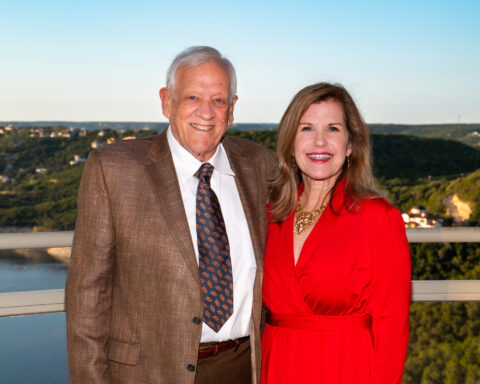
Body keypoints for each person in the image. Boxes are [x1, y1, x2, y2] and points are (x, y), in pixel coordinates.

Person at [65, 46, 274, 384]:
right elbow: (87, 296)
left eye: (219, 100)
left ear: (232, 109)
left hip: (242, 368)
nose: (206, 112)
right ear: (166, 101)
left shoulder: (260, 165)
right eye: (192, 97)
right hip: (149, 373)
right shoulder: (113, 169)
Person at [261, 83, 411, 383]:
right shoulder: (270, 215)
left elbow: (393, 327)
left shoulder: (377, 217)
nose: (319, 142)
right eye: (306, 129)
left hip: (346, 367)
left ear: (351, 145)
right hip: (277, 365)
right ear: (290, 142)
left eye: (332, 129)